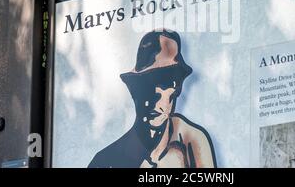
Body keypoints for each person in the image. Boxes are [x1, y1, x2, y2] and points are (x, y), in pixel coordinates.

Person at [88, 29, 216, 168]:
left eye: (168, 88)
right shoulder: (106, 161)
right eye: (148, 88)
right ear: (135, 92)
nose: (158, 102)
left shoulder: (189, 141)